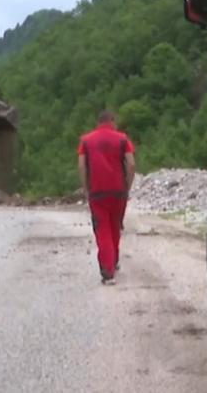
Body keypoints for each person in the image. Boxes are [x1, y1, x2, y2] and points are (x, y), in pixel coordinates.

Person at [77, 110, 137, 285]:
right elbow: (131, 163)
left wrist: (86, 188)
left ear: (99, 122)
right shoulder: (122, 139)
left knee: (102, 229)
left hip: (97, 192)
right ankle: (113, 259)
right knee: (115, 226)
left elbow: (81, 166)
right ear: (113, 121)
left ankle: (108, 271)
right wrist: (127, 186)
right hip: (118, 191)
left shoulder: (86, 141)